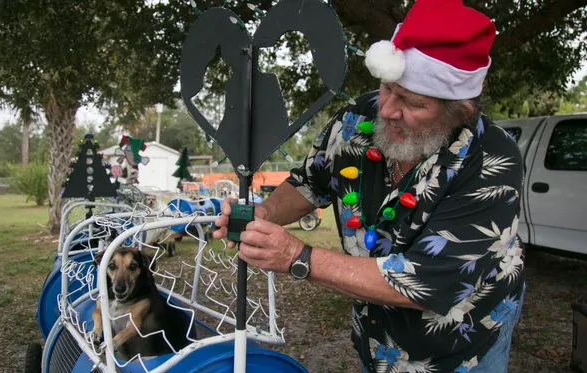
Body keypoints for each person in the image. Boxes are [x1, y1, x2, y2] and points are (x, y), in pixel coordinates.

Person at [213, 0, 525, 372]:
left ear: (460, 110)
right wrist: (266, 213)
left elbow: (426, 282)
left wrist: (297, 258)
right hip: (378, 338)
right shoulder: (358, 118)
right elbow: (309, 183)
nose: (389, 110)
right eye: (387, 89)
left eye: (412, 102)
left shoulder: (491, 159)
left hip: (460, 344)